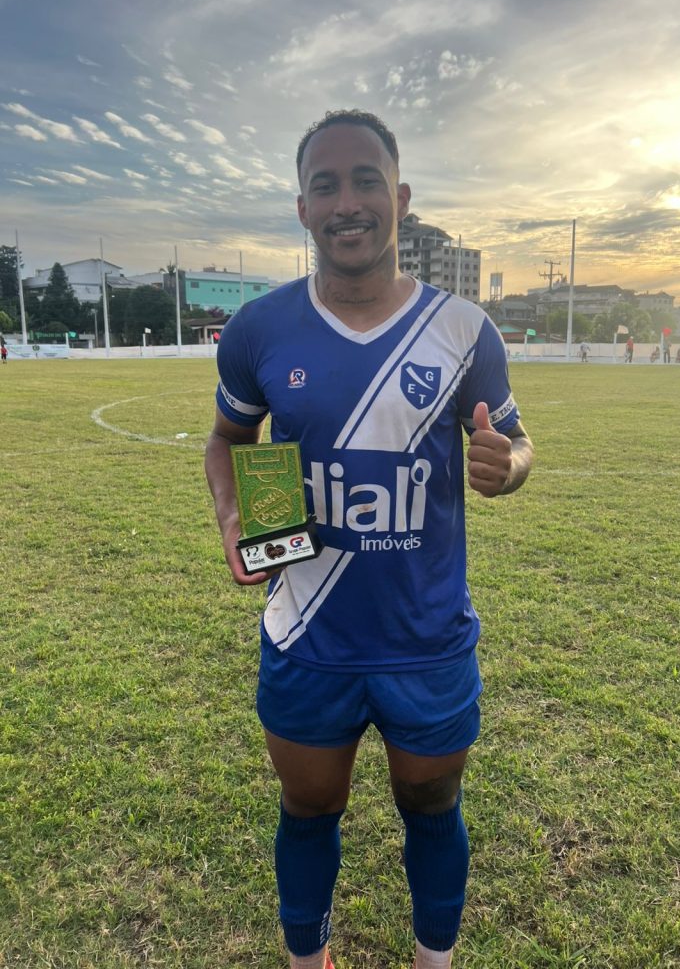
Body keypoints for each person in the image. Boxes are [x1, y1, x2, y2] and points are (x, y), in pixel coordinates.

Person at [205, 109, 533, 969]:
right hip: (308, 634)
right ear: (303, 209)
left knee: (433, 806)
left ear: (401, 196)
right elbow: (228, 439)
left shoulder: (464, 328)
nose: (346, 202)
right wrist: (235, 518)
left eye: (365, 181)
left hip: (427, 638)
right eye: (325, 186)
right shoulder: (259, 329)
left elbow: (516, 441)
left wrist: (508, 463)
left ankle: (434, 960)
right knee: (308, 809)